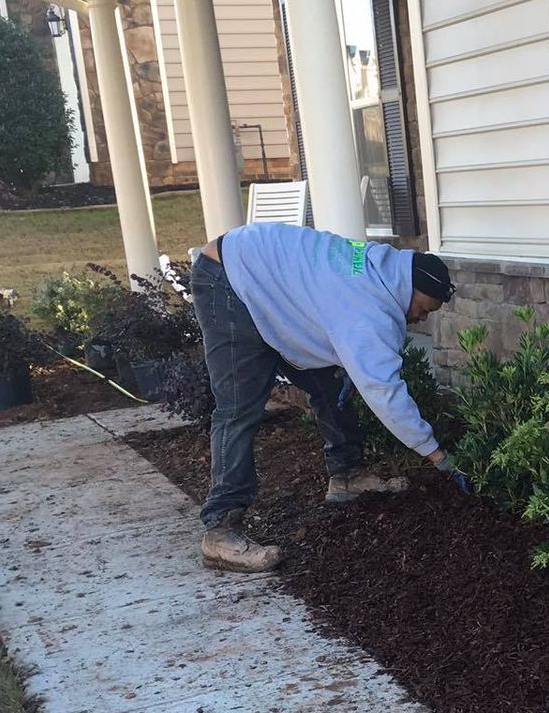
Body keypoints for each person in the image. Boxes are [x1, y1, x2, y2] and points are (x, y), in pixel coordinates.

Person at [186, 223, 465, 572]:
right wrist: (436, 454)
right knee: (239, 408)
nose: (420, 319)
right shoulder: (365, 309)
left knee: (331, 380)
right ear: (409, 288)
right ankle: (220, 530)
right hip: (228, 281)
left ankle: (347, 475)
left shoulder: (382, 270)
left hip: (267, 280)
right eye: (424, 308)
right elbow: (383, 391)